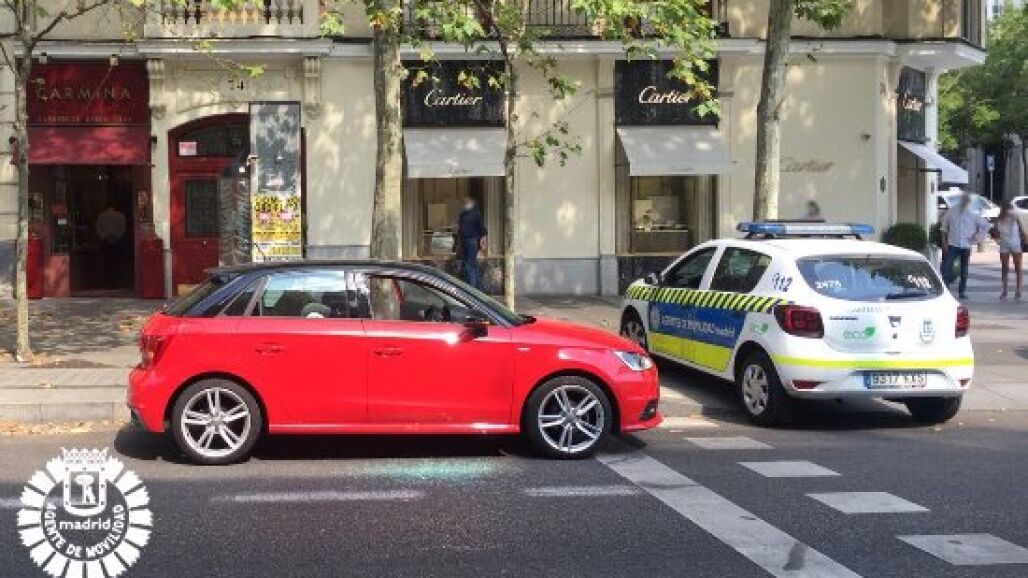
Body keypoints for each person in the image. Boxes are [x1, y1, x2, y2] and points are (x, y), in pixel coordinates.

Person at [940, 191, 989, 299]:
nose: (966, 201)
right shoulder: (952, 211)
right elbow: (944, 228)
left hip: (966, 246)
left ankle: (962, 292)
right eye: (964, 199)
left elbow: (985, 226)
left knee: (964, 271)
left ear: (969, 201)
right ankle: (946, 291)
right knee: (947, 269)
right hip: (953, 244)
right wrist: (944, 243)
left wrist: (976, 237)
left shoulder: (973, 213)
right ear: (961, 200)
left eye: (968, 200)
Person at [993, 200, 1026, 300]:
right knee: (1018, 268)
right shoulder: (1014, 215)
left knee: (1005, 268)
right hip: (1014, 244)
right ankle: (1018, 291)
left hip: (1005, 244)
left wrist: (997, 239)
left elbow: (995, 232)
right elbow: (1022, 229)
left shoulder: (999, 217)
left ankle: (1005, 291)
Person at [456, 196, 487, 290]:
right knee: (472, 266)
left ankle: (472, 289)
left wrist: (482, 242)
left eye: (466, 203)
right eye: (464, 203)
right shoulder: (466, 214)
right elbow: (481, 229)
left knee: (469, 266)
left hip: (471, 241)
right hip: (468, 241)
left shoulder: (473, 214)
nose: (465, 205)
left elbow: (481, 229)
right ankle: (478, 289)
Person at [95, 203, 127, 289]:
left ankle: (108, 282)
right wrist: (118, 237)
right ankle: (117, 281)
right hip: (117, 241)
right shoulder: (121, 216)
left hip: (106, 241)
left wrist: (103, 236)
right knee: (117, 262)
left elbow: (98, 228)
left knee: (107, 262)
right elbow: (123, 228)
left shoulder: (101, 216)